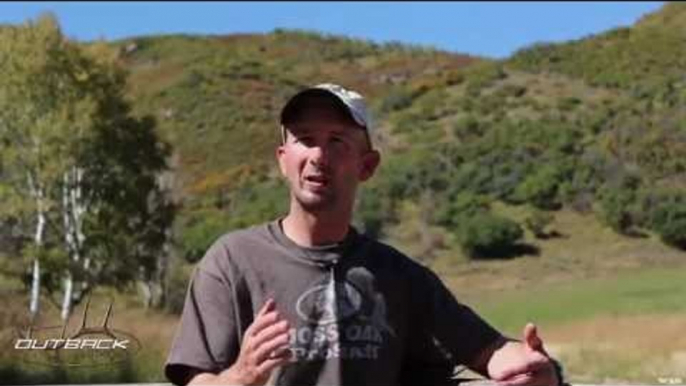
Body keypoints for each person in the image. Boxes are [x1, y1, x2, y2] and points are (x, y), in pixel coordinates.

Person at [165, 83, 566, 386]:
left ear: (367, 165)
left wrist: (538, 369)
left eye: (337, 141)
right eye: (305, 139)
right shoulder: (233, 261)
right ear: (283, 160)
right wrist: (241, 375)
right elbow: (197, 381)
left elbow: (491, 351)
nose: (318, 156)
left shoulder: (401, 276)